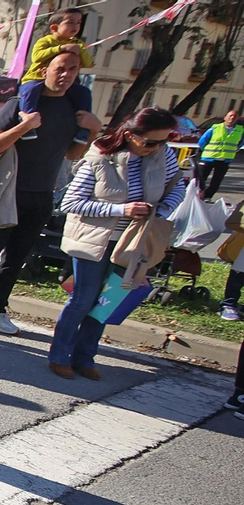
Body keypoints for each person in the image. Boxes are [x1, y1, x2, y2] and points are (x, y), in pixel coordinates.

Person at [0, 49, 97, 335]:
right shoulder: (20, 104)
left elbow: (71, 154)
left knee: (16, 256)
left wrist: (93, 132)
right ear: (44, 69)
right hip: (8, 190)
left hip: (43, 193)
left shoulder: (74, 108)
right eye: (60, 68)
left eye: (72, 70)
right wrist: (24, 126)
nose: (66, 74)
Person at [52, 107, 183, 380]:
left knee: (106, 301)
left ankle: (85, 357)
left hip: (134, 244)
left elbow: (177, 187)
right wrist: (120, 210)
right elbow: (70, 203)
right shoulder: (100, 157)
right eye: (149, 142)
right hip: (95, 241)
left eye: (163, 141)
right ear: (129, 134)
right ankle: (59, 355)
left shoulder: (164, 155)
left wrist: (160, 210)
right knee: (83, 299)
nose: (156, 147)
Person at [18, 7, 95, 145]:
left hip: (63, 82)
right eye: (70, 22)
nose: (76, 26)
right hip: (37, 79)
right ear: (54, 27)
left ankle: (83, 130)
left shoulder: (77, 44)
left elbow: (89, 63)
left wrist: (79, 51)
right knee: (30, 91)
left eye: (78, 22)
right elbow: (36, 57)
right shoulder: (46, 41)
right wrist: (61, 48)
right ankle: (27, 123)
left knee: (84, 93)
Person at [195, 109, 241, 200]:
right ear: (225, 117)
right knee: (201, 179)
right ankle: (196, 195)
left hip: (225, 159)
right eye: (230, 116)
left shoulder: (240, 131)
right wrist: (207, 150)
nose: (232, 118)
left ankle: (208, 196)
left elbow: (240, 143)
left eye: (234, 116)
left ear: (237, 118)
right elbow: (202, 141)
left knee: (216, 181)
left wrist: (233, 150)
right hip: (209, 158)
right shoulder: (215, 128)